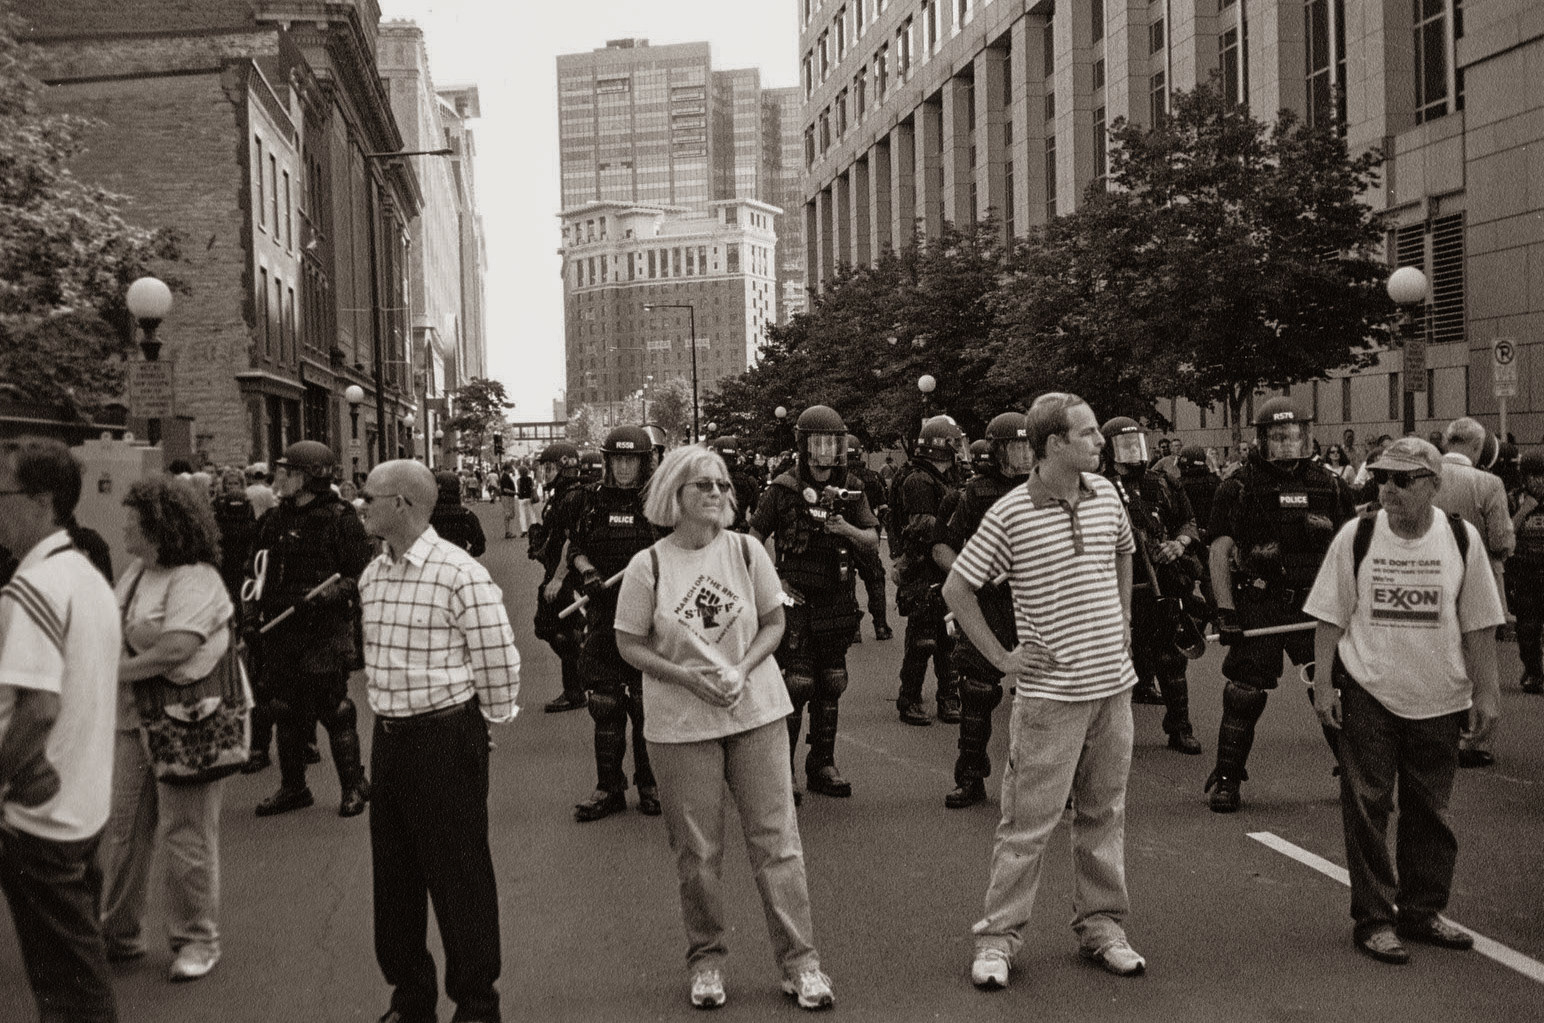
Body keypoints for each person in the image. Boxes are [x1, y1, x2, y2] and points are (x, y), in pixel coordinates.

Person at [614, 445, 835, 1012]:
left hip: (755, 711)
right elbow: (629, 644)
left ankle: (801, 963)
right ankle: (706, 961)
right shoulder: (650, 566)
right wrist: (686, 677)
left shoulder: (746, 549)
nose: (716, 494)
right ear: (674, 496)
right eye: (702, 486)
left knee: (776, 842)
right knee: (697, 850)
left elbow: (774, 622)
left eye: (721, 485)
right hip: (680, 725)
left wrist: (741, 667)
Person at [942, 393, 1146, 990]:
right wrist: (1003, 656)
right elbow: (958, 589)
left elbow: (1123, 552)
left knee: (1103, 816)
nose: (1100, 442)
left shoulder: (1107, 495)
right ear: (1054, 444)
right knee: (1027, 826)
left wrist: (1125, 620)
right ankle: (998, 938)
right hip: (1050, 699)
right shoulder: (1010, 514)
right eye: (1087, 434)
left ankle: (1102, 926)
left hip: (1113, 690)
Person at [1304, 437, 1502, 965]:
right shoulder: (1358, 535)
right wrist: (1324, 686)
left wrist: (1488, 692)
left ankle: (1422, 911)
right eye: (1382, 478)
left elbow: (1480, 621)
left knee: (1430, 812)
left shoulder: (1461, 539)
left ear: (1434, 486)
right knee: (1367, 808)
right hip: (1369, 691)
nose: (1388, 489)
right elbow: (1329, 617)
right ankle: (1373, 919)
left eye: (1402, 479)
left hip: (1440, 696)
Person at [357, 459, 521, 1023]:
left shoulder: (459, 575)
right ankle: (411, 999)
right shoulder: (373, 574)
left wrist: (482, 728)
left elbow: (498, 661)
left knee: (460, 880)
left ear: (401, 504)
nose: (362, 504)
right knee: (395, 881)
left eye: (370, 496)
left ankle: (476, 1005)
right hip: (391, 741)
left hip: (444, 740)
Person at [0, 437, 121, 1023]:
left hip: (41, 818)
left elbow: (38, 708)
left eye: (3, 493)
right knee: (78, 969)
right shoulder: (83, 573)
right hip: (83, 805)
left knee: (71, 990)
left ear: (40, 500)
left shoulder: (32, 588)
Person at [100, 476, 235, 982]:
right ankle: (118, 932)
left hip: (188, 721)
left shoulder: (196, 579)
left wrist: (106, 670)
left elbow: (177, 648)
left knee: (186, 834)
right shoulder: (136, 573)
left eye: (133, 523)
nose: (125, 530)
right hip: (133, 720)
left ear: (159, 528)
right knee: (125, 829)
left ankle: (198, 939)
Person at [1205, 398, 1357, 812]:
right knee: (1244, 693)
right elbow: (1220, 551)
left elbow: (1351, 549)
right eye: (1279, 437)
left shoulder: (1330, 485)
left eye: (1296, 437)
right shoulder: (1238, 486)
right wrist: (1226, 611)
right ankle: (1227, 779)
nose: (1289, 445)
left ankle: (1356, 775)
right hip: (1261, 600)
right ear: (1262, 440)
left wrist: (1354, 608)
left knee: (1330, 686)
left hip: (1316, 605)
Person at [751, 405, 880, 800]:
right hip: (796, 601)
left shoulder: (850, 488)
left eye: (832, 443)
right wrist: (775, 582)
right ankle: (783, 772)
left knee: (832, 682)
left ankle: (822, 763)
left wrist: (847, 529)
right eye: (818, 442)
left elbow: (873, 538)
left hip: (837, 598)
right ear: (804, 446)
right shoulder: (783, 488)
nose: (825, 451)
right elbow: (753, 539)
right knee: (796, 684)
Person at [248, 441, 374, 818]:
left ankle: (353, 786)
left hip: (323, 630)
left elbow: (358, 576)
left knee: (334, 708)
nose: (279, 478)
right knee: (284, 708)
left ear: (307, 478)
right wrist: (251, 617)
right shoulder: (273, 519)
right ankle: (293, 787)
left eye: (287, 472)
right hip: (280, 629)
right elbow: (253, 572)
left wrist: (321, 598)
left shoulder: (340, 518)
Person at [568, 426, 665, 821]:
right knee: (605, 704)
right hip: (604, 613)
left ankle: (650, 784)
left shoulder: (659, 504)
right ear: (608, 463)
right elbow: (575, 547)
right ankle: (608, 787)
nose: (624, 468)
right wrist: (586, 570)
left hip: (648, 620)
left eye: (632, 460)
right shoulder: (591, 503)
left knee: (645, 705)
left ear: (644, 464)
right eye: (618, 460)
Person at [939, 413, 1033, 808]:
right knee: (977, 689)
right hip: (992, 600)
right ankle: (970, 777)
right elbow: (943, 546)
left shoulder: (1048, 489)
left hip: (1038, 600)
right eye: (1016, 448)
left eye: (1030, 447)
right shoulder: (975, 494)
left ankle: (1051, 779)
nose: (1025, 456)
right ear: (997, 451)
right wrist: (973, 577)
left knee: (1049, 693)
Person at [1101, 417, 1204, 754]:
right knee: (1106, 660)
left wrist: (1180, 544)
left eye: (1137, 444)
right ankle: (1101, 736)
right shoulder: (1096, 487)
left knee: (1171, 657)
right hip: (1113, 586)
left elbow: (1189, 522)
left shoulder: (1161, 483)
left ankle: (1180, 727)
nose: (1133, 452)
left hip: (1160, 582)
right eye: (1125, 445)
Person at [1435, 417, 1515, 768]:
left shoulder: (1425, 477)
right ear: (1478, 447)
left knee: (1439, 655)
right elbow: (1501, 540)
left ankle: (1437, 729)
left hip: (1433, 578)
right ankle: (1474, 737)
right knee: (1480, 661)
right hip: (1477, 581)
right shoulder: (1488, 483)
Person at [892, 417, 963, 726]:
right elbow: (922, 525)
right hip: (923, 567)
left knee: (948, 638)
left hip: (943, 566)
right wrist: (956, 533)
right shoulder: (919, 480)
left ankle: (949, 698)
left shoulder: (946, 478)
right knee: (923, 640)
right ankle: (909, 698)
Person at [530, 441, 589, 713]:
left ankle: (575, 689)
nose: (546, 473)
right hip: (558, 571)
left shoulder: (572, 496)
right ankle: (578, 680)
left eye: (551, 467)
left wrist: (558, 578)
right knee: (552, 628)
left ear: (565, 467)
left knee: (559, 630)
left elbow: (570, 540)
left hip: (564, 575)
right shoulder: (563, 494)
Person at [844, 435, 892, 642]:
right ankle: (880, 626)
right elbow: (883, 508)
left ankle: (853, 628)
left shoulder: (839, 478)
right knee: (875, 580)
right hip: (866, 536)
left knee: (846, 583)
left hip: (842, 535)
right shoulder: (873, 477)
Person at [1510, 450, 1544, 694]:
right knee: (1527, 628)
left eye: (1542, 476)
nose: (1538, 482)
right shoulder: (1514, 498)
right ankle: (1533, 671)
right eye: (1533, 477)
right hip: (1525, 572)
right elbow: (1504, 532)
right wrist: (1524, 511)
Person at [428, 470, 487, 557]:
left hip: (432, 560)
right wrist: (467, 553)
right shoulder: (466, 514)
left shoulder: (427, 514)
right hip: (457, 559)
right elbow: (480, 544)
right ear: (458, 489)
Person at [498, 462, 519, 539]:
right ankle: (507, 532)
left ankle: (508, 531)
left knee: (509, 514)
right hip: (507, 497)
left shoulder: (505, 476)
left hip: (508, 497)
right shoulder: (505, 477)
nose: (513, 469)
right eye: (512, 468)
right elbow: (505, 489)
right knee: (508, 514)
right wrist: (515, 492)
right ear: (509, 468)